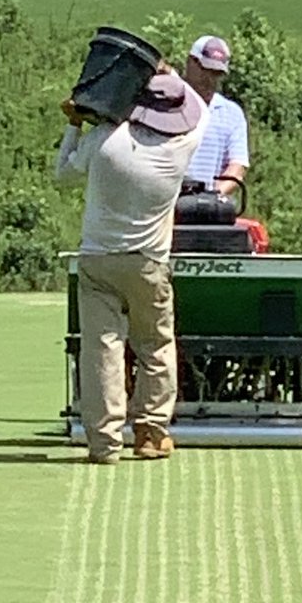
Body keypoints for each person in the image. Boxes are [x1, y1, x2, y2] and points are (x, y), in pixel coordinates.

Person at [54, 69, 207, 465]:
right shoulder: (186, 141)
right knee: (154, 344)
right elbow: (198, 103)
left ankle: (103, 443)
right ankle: (151, 434)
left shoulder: (105, 138)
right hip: (148, 262)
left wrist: (74, 123)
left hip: (98, 259)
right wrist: (171, 73)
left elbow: (63, 174)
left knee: (102, 349)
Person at [182, 35, 249, 196]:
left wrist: (211, 196)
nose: (210, 79)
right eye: (206, 70)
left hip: (205, 209)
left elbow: (237, 166)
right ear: (191, 63)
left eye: (216, 73)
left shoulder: (231, 113)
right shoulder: (166, 103)